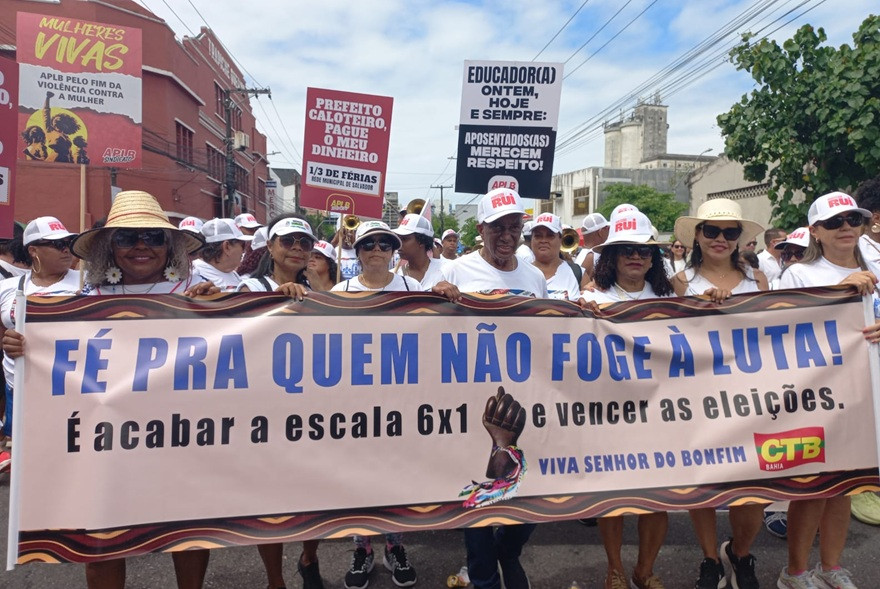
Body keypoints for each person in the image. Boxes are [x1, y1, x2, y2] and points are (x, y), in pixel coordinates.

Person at [3, 191, 214, 589]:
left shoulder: (199, 290)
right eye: (126, 237)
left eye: (153, 237)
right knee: (101, 543)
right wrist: (25, 347)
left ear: (169, 245)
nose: (140, 246)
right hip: (109, 443)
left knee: (185, 536)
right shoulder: (87, 301)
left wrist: (228, 308)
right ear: (108, 247)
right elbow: (60, 369)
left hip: (183, 438)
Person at [441, 188, 546, 589]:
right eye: (497, 227)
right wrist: (436, 296)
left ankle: (509, 548)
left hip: (526, 398)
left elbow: (548, 333)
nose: (506, 235)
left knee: (532, 488)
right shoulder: (455, 270)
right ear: (480, 229)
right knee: (479, 492)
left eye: (514, 227)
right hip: (472, 400)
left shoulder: (533, 275)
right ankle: (484, 575)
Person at [776, 191, 875, 589]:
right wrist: (839, 292)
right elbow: (783, 334)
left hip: (867, 392)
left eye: (853, 219)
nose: (846, 227)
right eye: (834, 223)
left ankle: (831, 567)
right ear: (816, 232)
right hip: (818, 396)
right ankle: (796, 572)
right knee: (814, 487)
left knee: (847, 487)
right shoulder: (800, 274)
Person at [672, 198, 767, 589]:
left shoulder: (759, 281)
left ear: (739, 239)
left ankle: (740, 553)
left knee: (755, 491)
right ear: (697, 234)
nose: (720, 239)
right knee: (704, 484)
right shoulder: (680, 283)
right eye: (711, 230)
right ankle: (710, 557)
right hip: (698, 395)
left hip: (752, 396)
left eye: (730, 232)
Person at [580, 209, 672, 589]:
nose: (637, 257)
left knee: (658, 498)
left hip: (662, 411)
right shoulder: (589, 296)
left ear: (653, 260)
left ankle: (645, 570)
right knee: (613, 496)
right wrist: (579, 313)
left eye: (645, 252)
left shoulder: (671, 295)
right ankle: (615, 569)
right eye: (627, 250)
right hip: (610, 412)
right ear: (612, 257)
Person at [0, 216, 80, 473]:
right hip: (19, 387)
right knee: (30, 458)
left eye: (68, 242)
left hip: (70, 389)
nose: (66, 249)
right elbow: (3, 332)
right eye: (56, 244)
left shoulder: (87, 284)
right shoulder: (8, 288)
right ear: (33, 249)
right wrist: (8, 343)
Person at [529, 213, 581, 301]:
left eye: (550, 236)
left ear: (560, 239)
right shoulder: (519, 272)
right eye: (538, 236)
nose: (543, 240)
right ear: (532, 240)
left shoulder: (577, 273)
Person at [191, 218, 252, 291]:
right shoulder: (193, 276)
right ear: (227, 247)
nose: (244, 251)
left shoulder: (230, 272)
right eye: (243, 245)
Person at [394, 213, 446, 289]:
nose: (399, 244)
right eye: (398, 239)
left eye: (404, 239)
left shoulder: (446, 270)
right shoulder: (394, 275)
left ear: (421, 241)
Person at [578, 212, 610, 279]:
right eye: (607, 228)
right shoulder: (593, 256)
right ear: (600, 232)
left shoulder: (582, 254)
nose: (609, 231)